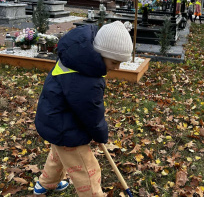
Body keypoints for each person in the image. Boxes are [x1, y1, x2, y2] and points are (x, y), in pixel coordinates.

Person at [33, 21, 133, 196]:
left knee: (59, 153)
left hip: (54, 116)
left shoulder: (78, 57)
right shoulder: (86, 81)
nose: (117, 67)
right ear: (101, 53)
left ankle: (46, 184)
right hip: (65, 124)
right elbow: (92, 113)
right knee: (86, 169)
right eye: (114, 62)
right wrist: (100, 135)